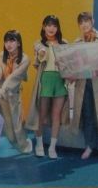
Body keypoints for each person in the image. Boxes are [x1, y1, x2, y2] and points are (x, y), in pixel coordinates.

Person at [70, 12, 98, 161]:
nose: (84, 25)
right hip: (83, 83)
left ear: (92, 21)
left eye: (86, 21)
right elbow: (74, 64)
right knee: (87, 115)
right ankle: (89, 146)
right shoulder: (77, 42)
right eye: (81, 22)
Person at [25, 15, 70, 159]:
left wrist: (64, 64)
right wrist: (41, 53)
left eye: (54, 26)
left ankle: (52, 147)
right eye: (49, 25)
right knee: (41, 114)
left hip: (60, 81)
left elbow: (69, 64)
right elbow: (37, 61)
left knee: (57, 115)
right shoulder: (39, 44)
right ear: (44, 27)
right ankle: (39, 144)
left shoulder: (64, 43)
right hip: (45, 80)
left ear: (58, 28)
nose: (51, 28)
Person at [0, 30, 32, 154]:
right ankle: (14, 142)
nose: (8, 44)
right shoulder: (2, 55)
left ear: (19, 43)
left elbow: (12, 78)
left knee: (17, 125)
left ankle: (25, 145)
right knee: (9, 132)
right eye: (6, 41)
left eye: (12, 41)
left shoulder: (25, 59)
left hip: (14, 94)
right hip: (1, 94)